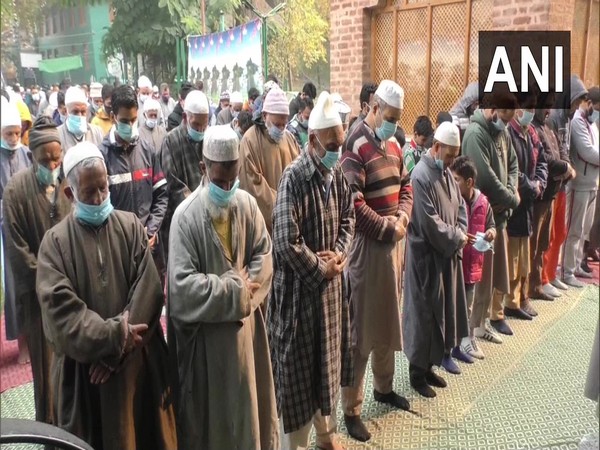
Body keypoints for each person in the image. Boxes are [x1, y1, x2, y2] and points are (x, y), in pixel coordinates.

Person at [35, 142, 177, 449]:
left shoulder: (130, 227)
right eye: (89, 193)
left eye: (103, 188)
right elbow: (62, 315)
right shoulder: (55, 244)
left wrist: (118, 351)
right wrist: (115, 336)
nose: (99, 198)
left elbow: (149, 289)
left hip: (135, 368)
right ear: (70, 194)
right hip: (85, 377)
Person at [168, 125, 278, 449]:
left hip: (247, 338)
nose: (227, 188)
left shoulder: (246, 205)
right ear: (203, 168)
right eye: (219, 182)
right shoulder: (185, 217)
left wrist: (244, 296)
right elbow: (181, 288)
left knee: (248, 420)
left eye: (233, 180)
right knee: (213, 429)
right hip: (207, 347)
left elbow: (265, 256)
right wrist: (236, 291)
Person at [268, 92, 354, 450]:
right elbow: (286, 241)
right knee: (298, 381)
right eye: (332, 143)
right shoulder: (294, 178)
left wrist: (338, 255)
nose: (337, 149)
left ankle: (326, 437)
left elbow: (348, 219)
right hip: (299, 300)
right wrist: (322, 267)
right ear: (314, 140)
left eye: (340, 142)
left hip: (330, 295)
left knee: (327, 370)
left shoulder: (337, 175)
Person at [340, 80, 413, 442]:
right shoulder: (355, 143)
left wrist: (403, 216)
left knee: (387, 325)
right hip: (368, 250)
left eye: (399, 119)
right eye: (391, 116)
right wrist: (386, 228)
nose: (394, 124)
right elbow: (352, 203)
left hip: (392, 246)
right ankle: (351, 409)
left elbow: (407, 185)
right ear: (375, 108)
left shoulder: (396, 143)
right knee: (361, 335)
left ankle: (384, 389)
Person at [2, 116, 71, 424]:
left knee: (76, 366)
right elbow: (17, 251)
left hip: (73, 293)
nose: (53, 164)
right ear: (32, 157)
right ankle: (49, 433)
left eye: (57, 158)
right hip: (39, 299)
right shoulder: (15, 192)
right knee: (47, 373)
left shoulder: (69, 183)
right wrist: (49, 285)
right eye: (46, 159)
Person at [404, 122, 469, 396]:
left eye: (455, 156)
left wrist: (461, 230)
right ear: (437, 147)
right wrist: (456, 236)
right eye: (449, 155)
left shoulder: (445, 173)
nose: (452, 162)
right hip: (425, 259)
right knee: (423, 315)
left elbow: (461, 205)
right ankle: (417, 374)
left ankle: (430, 367)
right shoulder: (420, 176)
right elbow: (430, 223)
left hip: (445, 256)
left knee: (440, 314)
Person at [462, 91, 520, 340]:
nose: (506, 124)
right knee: (478, 279)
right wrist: (512, 197)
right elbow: (484, 178)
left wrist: (512, 191)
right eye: (504, 118)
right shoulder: (476, 134)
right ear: (492, 109)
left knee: (490, 277)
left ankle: (481, 325)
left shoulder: (502, 131)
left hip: (499, 217)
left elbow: (514, 164)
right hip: (481, 218)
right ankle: (471, 332)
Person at [98, 85, 168, 262]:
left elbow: (161, 195)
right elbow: (101, 207)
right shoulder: (103, 156)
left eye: (133, 120)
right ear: (113, 117)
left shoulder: (147, 150)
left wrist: (151, 229)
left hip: (149, 246)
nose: (130, 126)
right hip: (119, 249)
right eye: (124, 121)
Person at [498, 96, 548, 322]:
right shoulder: (508, 133)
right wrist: (530, 185)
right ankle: (507, 304)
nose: (529, 113)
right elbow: (510, 171)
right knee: (512, 258)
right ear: (518, 110)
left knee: (523, 257)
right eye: (527, 109)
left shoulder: (532, 134)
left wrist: (540, 182)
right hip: (515, 202)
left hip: (528, 202)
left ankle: (518, 299)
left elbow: (543, 162)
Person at [544, 76, 588, 292]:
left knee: (560, 231)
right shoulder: (553, 118)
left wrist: (568, 166)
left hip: (564, 183)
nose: (577, 106)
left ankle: (551, 275)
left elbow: (565, 148)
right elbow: (552, 151)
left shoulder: (568, 119)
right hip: (552, 184)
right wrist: (565, 167)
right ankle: (543, 278)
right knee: (548, 235)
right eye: (575, 101)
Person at [529, 93, 574, 300]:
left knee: (545, 242)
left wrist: (565, 164)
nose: (548, 110)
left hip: (552, 193)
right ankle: (529, 288)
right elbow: (544, 159)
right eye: (545, 106)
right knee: (534, 244)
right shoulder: (534, 129)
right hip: (540, 196)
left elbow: (560, 151)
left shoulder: (548, 127)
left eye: (550, 106)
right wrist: (565, 167)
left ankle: (539, 283)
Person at [451, 156, 495, 360]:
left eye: (457, 179)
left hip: (473, 264)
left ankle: (467, 338)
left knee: (468, 304)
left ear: (469, 182)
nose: (453, 182)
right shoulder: (452, 199)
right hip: (455, 263)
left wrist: (491, 234)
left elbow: (491, 226)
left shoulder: (483, 202)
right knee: (452, 305)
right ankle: (453, 343)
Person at [239, 86, 300, 234]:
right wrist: (284, 212)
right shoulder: (250, 141)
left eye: (284, 124)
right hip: (263, 230)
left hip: (291, 225)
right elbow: (254, 188)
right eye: (277, 124)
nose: (280, 129)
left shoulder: (290, 139)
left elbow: (300, 177)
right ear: (265, 115)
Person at [159, 89, 209, 261]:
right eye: (196, 125)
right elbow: (173, 184)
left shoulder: (208, 140)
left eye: (205, 125)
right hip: (179, 219)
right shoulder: (170, 141)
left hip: (206, 218)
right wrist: (196, 207)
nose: (201, 130)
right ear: (186, 117)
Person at [1, 103, 33, 364]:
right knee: (14, 287)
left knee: (36, 280)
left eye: (16, 133)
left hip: (30, 225)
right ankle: (21, 343)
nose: (13, 138)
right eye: (7, 133)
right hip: (6, 231)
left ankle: (36, 338)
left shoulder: (27, 154)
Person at [561, 79, 599, 287]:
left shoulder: (590, 124)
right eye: (587, 102)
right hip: (579, 184)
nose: (590, 107)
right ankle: (567, 270)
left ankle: (575, 266)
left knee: (583, 229)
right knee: (574, 229)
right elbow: (587, 151)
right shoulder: (577, 121)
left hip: (592, 182)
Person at [58, 86, 104, 150]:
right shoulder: (58, 135)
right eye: (75, 112)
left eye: (83, 112)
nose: (79, 115)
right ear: (66, 111)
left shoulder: (97, 132)